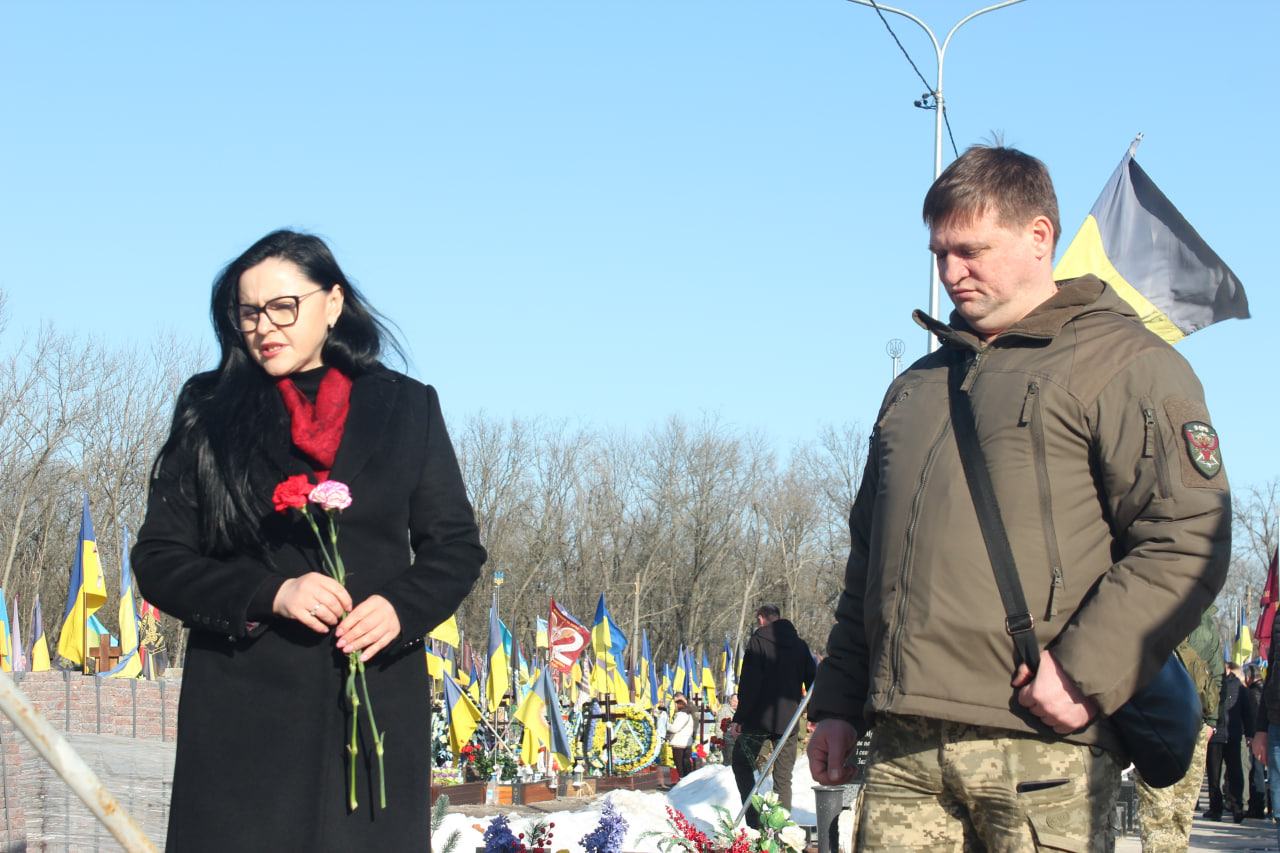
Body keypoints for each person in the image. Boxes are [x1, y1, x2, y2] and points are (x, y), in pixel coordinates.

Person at [804, 145, 1231, 852]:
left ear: (1039, 236)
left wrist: (1085, 673)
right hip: (903, 750)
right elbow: (868, 564)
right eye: (940, 253)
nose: (950, 272)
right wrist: (840, 703)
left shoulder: (1125, 363)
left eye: (970, 251)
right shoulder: (915, 389)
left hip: (1042, 751)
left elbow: (1186, 537)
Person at [133, 230, 486, 851]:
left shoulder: (408, 408)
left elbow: (455, 546)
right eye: (248, 312)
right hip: (243, 711)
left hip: (372, 706)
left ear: (332, 303)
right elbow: (159, 560)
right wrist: (271, 593)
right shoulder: (209, 408)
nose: (263, 326)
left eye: (283, 307)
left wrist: (400, 608)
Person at [1133, 605, 1222, 853]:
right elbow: (1217, 674)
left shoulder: (1155, 609)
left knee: (1164, 807)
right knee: (1175, 809)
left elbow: (1216, 673)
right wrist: (1212, 721)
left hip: (1164, 720)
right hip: (1185, 722)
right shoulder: (1204, 619)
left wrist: (1212, 722)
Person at [732, 606, 816, 828]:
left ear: (761, 619)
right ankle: (780, 829)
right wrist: (814, 715)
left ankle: (754, 821)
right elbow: (813, 681)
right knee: (783, 777)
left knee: (741, 764)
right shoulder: (800, 646)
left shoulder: (758, 642)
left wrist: (739, 717)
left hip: (757, 720)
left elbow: (749, 683)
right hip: (788, 721)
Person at [1205, 661, 1255, 822]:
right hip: (1215, 736)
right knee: (1214, 775)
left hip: (1233, 736)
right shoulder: (1210, 683)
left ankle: (1237, 808)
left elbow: (1246, 712)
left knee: (1236, 774)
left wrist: (1250, 734)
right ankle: (1215, 808)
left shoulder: (1238, 686)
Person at [1243, 663, 1268, 818]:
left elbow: (1255, 716)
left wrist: (1252, 734)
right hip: (1264, 734)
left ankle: (1257, 806)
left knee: (1256, 771)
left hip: (1258, 736)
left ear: (1249, 677)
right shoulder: (1264, 688)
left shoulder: (1254, 693)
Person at [667, 695, 695, 783]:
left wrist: (666, 725)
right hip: (685, 742)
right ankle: (685, 780)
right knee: (685, 763)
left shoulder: (682, 715)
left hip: (679, 742)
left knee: (680, 764)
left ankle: (682, 781)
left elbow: (675, 728)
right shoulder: (688, 715)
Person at [716, 692, 739, 763]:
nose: (736, 704)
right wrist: (720, 740)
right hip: (728, 739)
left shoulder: (741, 710)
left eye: (738, 702)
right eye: (734, 701)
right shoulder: (724, 710)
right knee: (729, 761)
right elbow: (719, 726)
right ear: (730, 700)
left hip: (739, 740)